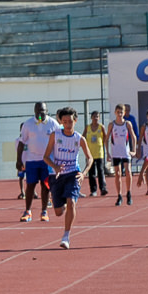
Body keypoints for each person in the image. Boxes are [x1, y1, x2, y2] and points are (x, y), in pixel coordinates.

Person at [42, 107, 92, 250]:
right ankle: (61, 201)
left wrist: (83, 173)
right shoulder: (55, 135)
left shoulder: (79, 139)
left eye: (70, 121)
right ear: (60, 122)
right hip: (56, 175)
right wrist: (55, 167)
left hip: (72, 174)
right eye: (64, 122)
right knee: (58, 212)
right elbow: (45, 157)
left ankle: (66, 236)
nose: (68, 124)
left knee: (71, 203)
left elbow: (90, 158)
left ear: (75, 121)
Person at [16, 101, 60, 222]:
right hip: (31, 160)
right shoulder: (28, 124)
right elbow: (21, 142)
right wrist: (19, 160)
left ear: (47, 111)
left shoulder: (53, 124)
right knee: (30, 185)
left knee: (45, 186)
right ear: (34, 111)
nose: (40, 113)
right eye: (37, 111)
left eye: (42, 111)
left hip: (47, 161)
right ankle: (28, 211)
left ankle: (44, 211)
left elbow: (60, 140)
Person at [108, 104, 137, 206]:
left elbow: (133, 137)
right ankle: (119, 195)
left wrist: (134, 150)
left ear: (124, 113)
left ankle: (129, 193)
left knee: (128, 172)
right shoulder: (112, 125)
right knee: (118, 174)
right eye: (118, 112)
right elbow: (106, 138)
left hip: (126, 152)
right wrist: (107, 153)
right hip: (116, 153)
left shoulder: (127, 124)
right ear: (115, 113)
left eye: (121, 112)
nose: (120, 114)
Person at [84, 111, 108, 197]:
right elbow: (83, 138)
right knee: (91, 173)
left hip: (99, 152)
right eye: (94, 116)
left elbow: (105, 137)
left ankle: (103, 188)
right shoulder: (88, 128)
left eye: (97, 116)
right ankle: (93, 190)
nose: (96, 118)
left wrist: (104, 147)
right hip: (90, 154)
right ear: (91, 118)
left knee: (100, 171)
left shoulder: (101, 127)